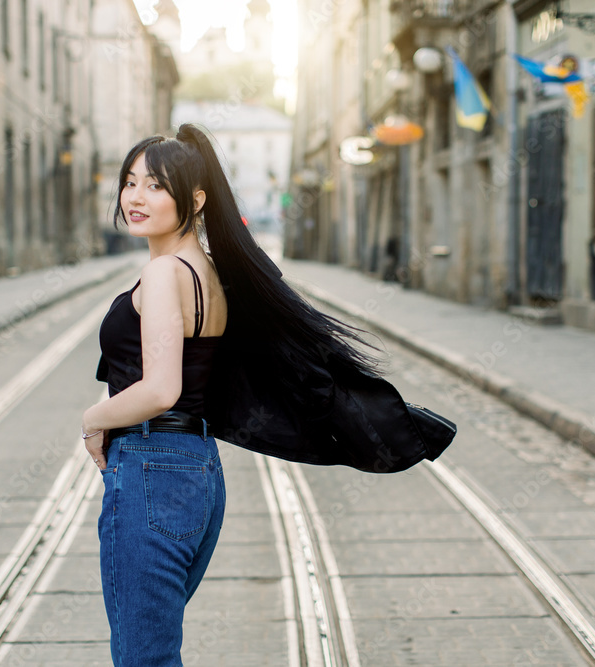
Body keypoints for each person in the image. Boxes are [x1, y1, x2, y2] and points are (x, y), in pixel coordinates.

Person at [80, 123, 387, 666]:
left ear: (196, 199)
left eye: (155, 185)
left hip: (152, 469)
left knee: (143, 658)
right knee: (153, 651)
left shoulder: (164, 273)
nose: (135, 197)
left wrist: (93, 418)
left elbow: (161, 388)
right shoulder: (208, 272)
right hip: (197, 469)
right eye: (130, 182)